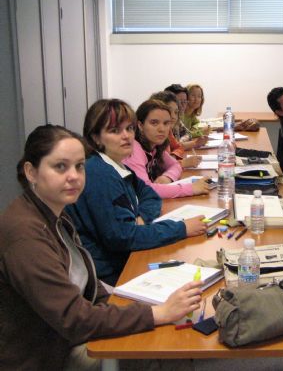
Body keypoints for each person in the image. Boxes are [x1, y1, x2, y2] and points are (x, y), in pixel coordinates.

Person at [0, 124, 204, 369]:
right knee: (151, 346)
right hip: (48, 354)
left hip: (65, 333)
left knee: (161, 333)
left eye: (79, 166)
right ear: (31, 172)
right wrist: (157, 313)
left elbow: (86, 283)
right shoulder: (26, 235)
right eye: (60, 167)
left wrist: (139, 307)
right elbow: (74, 319)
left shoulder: (54, 212)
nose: (74, 176)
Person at [66, 99, 207, 285]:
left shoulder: (117, 165)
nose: (126, 136)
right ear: (96, 138)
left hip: (127, 257)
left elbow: (151, 195)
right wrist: (181, 228)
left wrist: (140, 218)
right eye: (115, 131)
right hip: (110, 276)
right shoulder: (98, 173)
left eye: (129, 129)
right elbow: (123, 238)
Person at [123, 99, 209, 199]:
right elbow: (147, 190)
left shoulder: (155, 146)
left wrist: (167, 177)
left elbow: (176, 164)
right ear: (140, 126)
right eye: (154, 123)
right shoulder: (134, 149)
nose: (162, 129)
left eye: (166, 123)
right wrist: (191, 189)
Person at [150, 90, 202, 168]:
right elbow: (160, 167)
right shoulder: (154, 135)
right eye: (169, 111)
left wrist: (173, 156)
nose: (174, 116)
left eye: (176, 112)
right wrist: (182, 163)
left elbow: (178, 147)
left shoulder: (168, 131)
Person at [164, 84, 208, 149]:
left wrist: (183, 141)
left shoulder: (177, 120)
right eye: (179, 101)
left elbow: (187, 134)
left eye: (184, 101)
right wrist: (195, 143)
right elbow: (174, 147)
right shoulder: (165, 122)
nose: (182, 105)